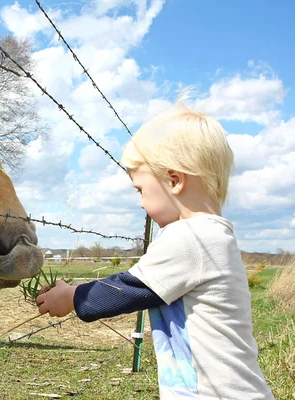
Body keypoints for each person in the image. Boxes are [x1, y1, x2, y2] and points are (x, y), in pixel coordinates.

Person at [36, 98, 275, 399]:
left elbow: (130, 289)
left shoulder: (194, 237)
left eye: (141, 189)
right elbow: (137, 283)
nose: (141, 202)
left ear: (174, 180)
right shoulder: (207, 235)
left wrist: (73, 296)